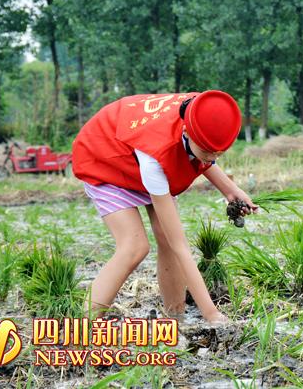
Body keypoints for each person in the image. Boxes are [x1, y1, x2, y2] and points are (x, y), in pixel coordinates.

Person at [72, 90, 257, 324]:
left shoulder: (202, 111)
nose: (212, 158)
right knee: (134, 247)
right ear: (187, 132)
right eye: (207, 151)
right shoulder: (156, 158)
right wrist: (212, 315)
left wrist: (231, 191)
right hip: (104, 156)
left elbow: (204, 158)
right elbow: (181, 246)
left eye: (218, 153)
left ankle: (175, 319)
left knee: (166, 238)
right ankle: (81, 325)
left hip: (138, 151)